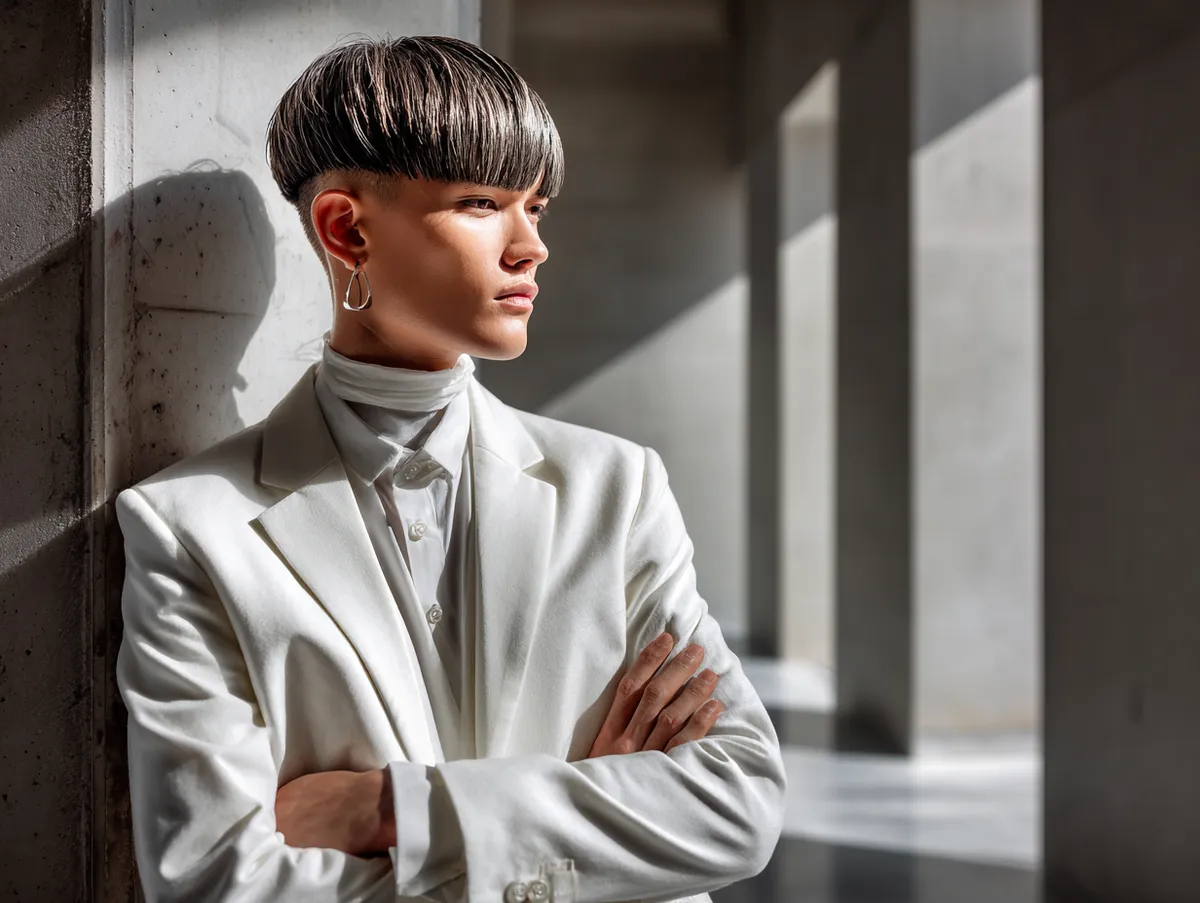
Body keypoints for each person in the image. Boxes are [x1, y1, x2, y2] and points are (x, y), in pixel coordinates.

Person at [115, 34, 785, 903]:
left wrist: (392, 812)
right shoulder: (189, 527)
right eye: (481, 203)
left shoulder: (617, 488)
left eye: (536, 208)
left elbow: (740, 803)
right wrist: (589, 821)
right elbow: (214, 882)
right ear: (346, 229)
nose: (531, 246)